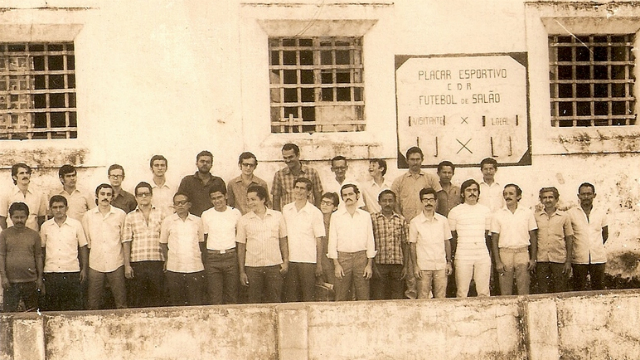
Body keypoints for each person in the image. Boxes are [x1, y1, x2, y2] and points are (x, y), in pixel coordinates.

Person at [392, 147, 441, 299]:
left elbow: (436, 199)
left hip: (428, 226)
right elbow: (395, 202)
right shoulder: (399, 181)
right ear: (407, 161)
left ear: (422, 159)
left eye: (417, 159)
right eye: (412, 159)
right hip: (408, 227)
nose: (415, 162)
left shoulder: (430, 179)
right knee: (412, 265)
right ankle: (412, 297)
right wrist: (403, 220)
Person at [237, 185, 288, 303]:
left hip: (274, 266)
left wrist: (285, 262)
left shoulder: (277, 216)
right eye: (248, 199)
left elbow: (283, 241)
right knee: (254, 302)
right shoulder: (243, 220)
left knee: (275, 300)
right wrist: (242, 272)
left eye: (253, 199)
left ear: (263, 199)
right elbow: (241, 247)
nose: (250, 203)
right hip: (253, 267)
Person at [82, 183, 128, 310]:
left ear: (112, 197)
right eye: (102, 194)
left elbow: (124, 239)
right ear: (97, 196)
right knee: (93, 303)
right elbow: (87, 242)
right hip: (95, 263)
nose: (105, 197)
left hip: (116, 262)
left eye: (108, 194)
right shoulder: (88, 216)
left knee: (121, 302)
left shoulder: (120, 215)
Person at [327, 184, 376, 301]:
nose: (348, 197)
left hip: (361, 257)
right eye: (345, 195)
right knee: (341, 294)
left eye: (350, 194)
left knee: (363, 294)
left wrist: (369, 265)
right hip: (343, 258)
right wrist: (336, 264)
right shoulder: (336, 216)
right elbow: (332, 241)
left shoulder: (365, 216)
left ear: (357, 195)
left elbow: (370, 240)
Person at [40, 195, 88, 311]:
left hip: (71, 271)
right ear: (50, 209)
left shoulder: (76, 225)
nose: (58, 210)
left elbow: (83, 247)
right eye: (54, 207)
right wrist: (41, 274)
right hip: (52, 272)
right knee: (53, 308)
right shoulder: (45, 226)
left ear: (67, 208)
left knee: (73, 308)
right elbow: (42, 250)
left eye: (61, 207)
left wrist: (84, 269)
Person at [122, 182, 165, 308]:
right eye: (140, 194)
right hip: (137, 263)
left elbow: (166, 239)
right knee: (138, 299)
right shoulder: (130, 217)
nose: (144, 196)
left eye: (147, 194)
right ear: (136, 197)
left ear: (151, 195)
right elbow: (126, 241)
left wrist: (167, 260)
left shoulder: (161, 214)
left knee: (157, 299)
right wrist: (127, 265)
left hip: (157, 261)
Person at [490, 184, 538, 295]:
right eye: (505, 194)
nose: (508, 196)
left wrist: (533, 258)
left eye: (511, 193)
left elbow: (533, 236)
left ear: (518, 196)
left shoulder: (527, 213)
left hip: (522, 252)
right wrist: (498, 261)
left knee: (524, 288)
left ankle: (524, 312)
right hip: (505, 253)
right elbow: (494, 239)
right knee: (505, 290)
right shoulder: (498, 214)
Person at [282, 178, 325, 302]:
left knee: (308, 297)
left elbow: (319, 239)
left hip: (308, 261)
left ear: (309, 192)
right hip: (291, 260)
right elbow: (283, 237)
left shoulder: (315, 212)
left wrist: (319, 264)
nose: (299, 191)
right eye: (297, 187)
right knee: (291, 297)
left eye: (302, 188)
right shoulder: (286, 209)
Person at [160, 192, 206, 306]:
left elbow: (200, 242)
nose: (180, 205)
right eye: (177, 203)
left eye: (183, 202)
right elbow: (163, 243)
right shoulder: (168, 221)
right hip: (175, 267)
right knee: (177, 302)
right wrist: (168, 260)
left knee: (196, 302)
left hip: (194, 267)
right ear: (174, 206)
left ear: (189, 204)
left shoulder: (197, 221)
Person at [448, 179, 492, 297]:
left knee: (484, 291)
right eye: (468, 190)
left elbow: (487, 234)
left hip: (482, 253)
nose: (472, 193)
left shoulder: (485, 211)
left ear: (478, 193)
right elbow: (452, 236)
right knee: (462, 291)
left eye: (475, 190)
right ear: (462, 193)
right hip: (463, 254)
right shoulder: (455, 212)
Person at [409, 188, 453, 299]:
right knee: (423, 296)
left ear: (435, 201)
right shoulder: (415, 222)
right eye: (425, 200)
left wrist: (448, 262)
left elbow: (447, 241)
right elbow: (412, 245)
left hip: (440, 265)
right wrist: (415, 266)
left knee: (441, 296)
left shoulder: (443, 220)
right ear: (421, 202)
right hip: (423, 266)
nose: (428, 203)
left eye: (431, 200)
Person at [201, 185, 241, 305]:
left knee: (232, 294)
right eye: (214, 198)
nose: (217, 201)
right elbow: (205, 237)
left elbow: (239, 237)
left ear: (226, 196)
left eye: (219, 197)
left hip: (230, 256)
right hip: (213, 258)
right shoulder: (206, 214)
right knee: (215, 295)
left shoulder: (235, 213)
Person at [0, 202, 43, 312]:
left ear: (27, 217)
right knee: (9, 314)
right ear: (10, 217)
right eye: (16, 217)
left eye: (22, 217)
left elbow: (38, 256)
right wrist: (4, 277)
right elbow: (2, 255)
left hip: (30, 281)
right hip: (11, 282)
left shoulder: (34, 235)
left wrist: (39, 278)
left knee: (32, 314)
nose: (19, 220)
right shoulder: (4, 234)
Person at [569, 183, 608, 291]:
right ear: (579, 196)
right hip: (579, 258)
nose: (586, 197)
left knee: (598, 288)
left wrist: (595, 245)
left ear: (594, 195)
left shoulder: (601, 213)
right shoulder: (571, 213)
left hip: (598, 258)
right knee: (578, 288)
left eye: (589, 194)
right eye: (583, 194)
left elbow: (605, 234)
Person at [370, 190, 408, 300]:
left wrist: (405, 266)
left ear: (395, 202)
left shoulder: (401, 220)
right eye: (384, 201)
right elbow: (369, 243)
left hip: (397, 265)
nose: (387, 204)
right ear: (379, 202)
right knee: (379, 296)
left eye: (390, 201)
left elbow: (405, 244)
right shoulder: (373, 219)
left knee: (397, 296)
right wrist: (373, 265)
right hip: (379, 264)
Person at [535, 187, 574, 293]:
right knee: (543, 291)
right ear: (541, 200)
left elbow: (569, 238)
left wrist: (568, 262)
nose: (548, 200)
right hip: (542, 260)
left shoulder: (564, 216)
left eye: (551, 197)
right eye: (545, 197)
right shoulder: (536, 216)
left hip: (559, 259)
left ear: (556, 199)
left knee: (560, 290)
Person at [272, 143, 323, 211]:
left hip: (308, 214)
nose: (288, 160)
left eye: (290, 157)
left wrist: (316, 214)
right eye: (285, 158)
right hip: (288, 215)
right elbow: (276, 200)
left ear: (298, 155)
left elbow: (318, 197)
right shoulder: (279, 175)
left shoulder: (312, 173)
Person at [177, 151, 226, 217]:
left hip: (213, 220)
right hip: (192, 221)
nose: (205, 164)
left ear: (211, 165)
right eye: (202, 161)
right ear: (196, 163)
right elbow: (180, 201)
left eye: (208, 162)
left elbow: (225, 202)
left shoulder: (218, 181)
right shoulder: (187, 181)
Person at [0, 163, 47, 231]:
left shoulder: (39, 194)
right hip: (13, 235)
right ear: (14, 177)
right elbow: (2, 218)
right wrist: (7, 234)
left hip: (32, 235)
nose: (25, 175)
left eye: (27, 173)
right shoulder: (7, 194)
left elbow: (41, 217)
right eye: (21, 173)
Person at [319, 192, 339, 286]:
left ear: (335, 207)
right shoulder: (316, 220)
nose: (324, 205)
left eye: (328, 203)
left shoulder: (338, 221)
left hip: (334, 259)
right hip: (319, 258)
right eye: (323, 202)